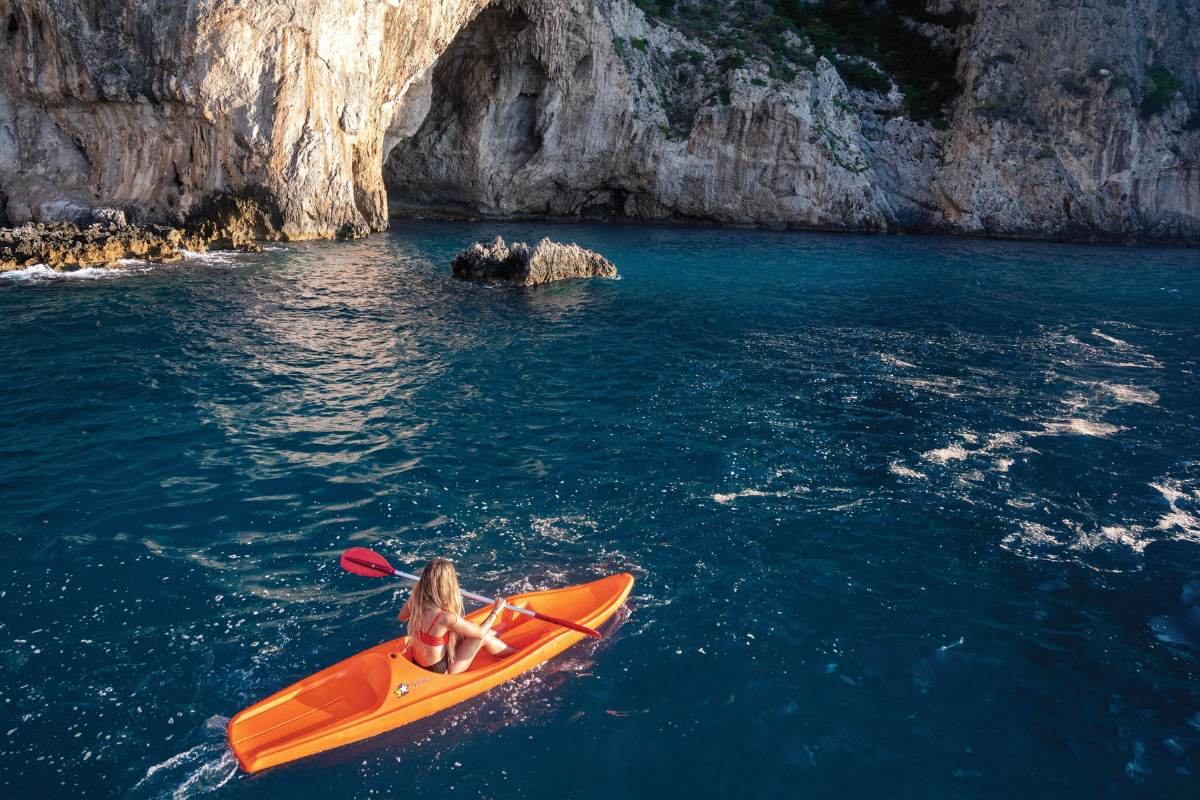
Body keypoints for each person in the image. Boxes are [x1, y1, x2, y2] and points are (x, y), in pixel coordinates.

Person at [399, 557, 517, 674]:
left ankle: (500, 636)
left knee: (472, 626)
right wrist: (496, 610)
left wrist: (419, 589)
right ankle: (517, 654)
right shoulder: (445, 617)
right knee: (482, 636)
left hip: (418, 661)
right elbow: (480, 633)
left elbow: (402, 617)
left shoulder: (415, 600)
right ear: (448, 585)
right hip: (441, 670)